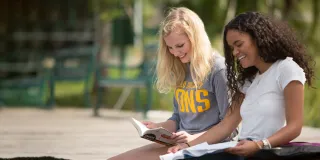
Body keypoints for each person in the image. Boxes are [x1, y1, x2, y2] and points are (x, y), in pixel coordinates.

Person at [168, 11, 315, 159]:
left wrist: (259, 145)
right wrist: (186, 147)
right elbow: (226, 125)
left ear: (258, 38)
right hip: (242, 149)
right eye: (231, 48)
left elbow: (294, 127)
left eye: (239, 44)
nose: (235, 52)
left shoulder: (286, 69)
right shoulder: (248, 80)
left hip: (267, 151)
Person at [108, 7, 236, 160]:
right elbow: (177, 118)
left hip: (208, 148)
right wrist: (158, 128)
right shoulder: (182, 67)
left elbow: (229, 128)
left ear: (196, 38)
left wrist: (192, 140)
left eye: (180, 46)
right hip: (179, 145)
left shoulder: (218, 69)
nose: (175, 53)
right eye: (170, 48)